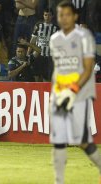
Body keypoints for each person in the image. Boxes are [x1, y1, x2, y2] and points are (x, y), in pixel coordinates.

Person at [49, 1, 101, 183]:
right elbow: (59, 69)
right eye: (60, 14)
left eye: (67, 14)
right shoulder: (55, 39)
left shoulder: (84, 37)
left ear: (75, 16)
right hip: (62, 92)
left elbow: (88, 69)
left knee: (82, 141)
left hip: (80, 94)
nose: (63, 18)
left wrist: (73, 90)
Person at [28, 8, 59, 81]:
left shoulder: (56, 28)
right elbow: (32, 41)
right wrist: (28, 54)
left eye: (49, 15)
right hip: (38, 55)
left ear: (52, 16)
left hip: (49, 57)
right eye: (46, 15)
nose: (47, 17)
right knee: (37, 77)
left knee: (48, 78)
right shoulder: (38, 26)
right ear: (43, 15)